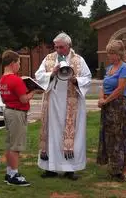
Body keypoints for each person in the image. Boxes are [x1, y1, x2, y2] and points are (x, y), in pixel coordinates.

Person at [35, 32, 91, 180]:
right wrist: (51, 74)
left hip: (72, 104)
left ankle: (70, 169)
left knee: (73, 135)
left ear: (69, 46)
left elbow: (87, 78)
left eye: (61, 47)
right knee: (52, 133)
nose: (58, 50)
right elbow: (39, 76)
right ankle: (50, 168)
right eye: (56, 47)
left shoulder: (78, 60)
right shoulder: (49, 59)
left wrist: (75, 80)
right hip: (52, 103)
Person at [0, 50, 37, 186]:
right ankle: (14, 174)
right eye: (18, 63)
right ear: (12, 63)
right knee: (16, 145)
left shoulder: (2, 79)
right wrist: (33, 91)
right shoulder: (16, 80)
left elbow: (6, 97)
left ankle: (9, 172)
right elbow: (23, 99)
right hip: (17, 113)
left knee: (10, 143)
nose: (19, 66)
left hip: (8, 110)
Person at [97, 40, 126, 182]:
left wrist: (107, 100)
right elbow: (103, 86)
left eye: (112, 53)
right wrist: (101, 99)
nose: (109, 56)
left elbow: (120, 89)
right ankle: (113, 166)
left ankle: (122, 168)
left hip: (119, 106)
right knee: (109, 136)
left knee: (120, 136)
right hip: (107, 106)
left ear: (119, 54)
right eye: (108, 53)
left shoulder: (125, 68)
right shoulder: (109, 68)